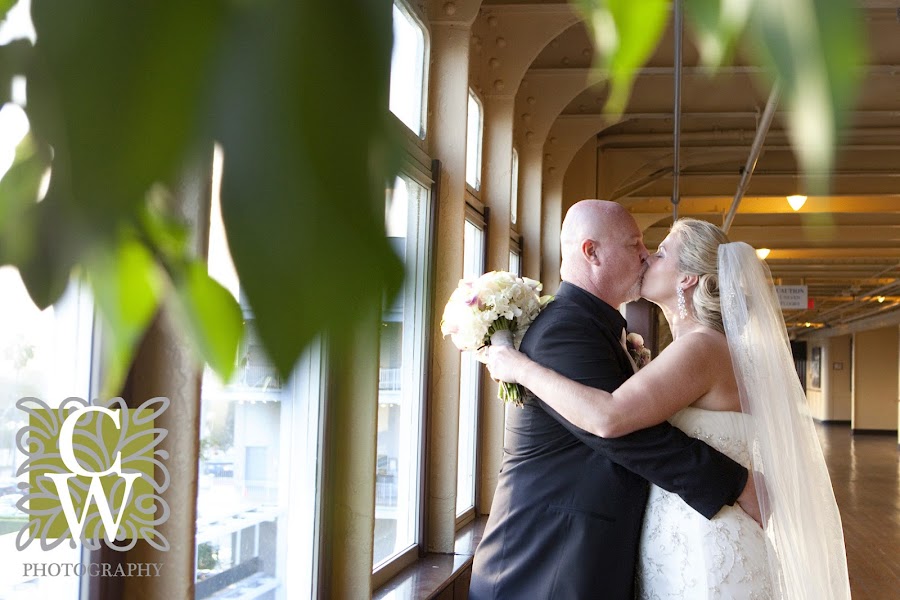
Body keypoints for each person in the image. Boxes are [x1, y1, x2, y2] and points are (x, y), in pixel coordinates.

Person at [482, 217, 851, 599]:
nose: (646, 257)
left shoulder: (701, 348)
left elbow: (609, 416)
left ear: (687, 278)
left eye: (659, 252)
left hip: (705, 545)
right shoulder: (707, 348)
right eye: (641, 248)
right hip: (691, 533)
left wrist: (519, 367)